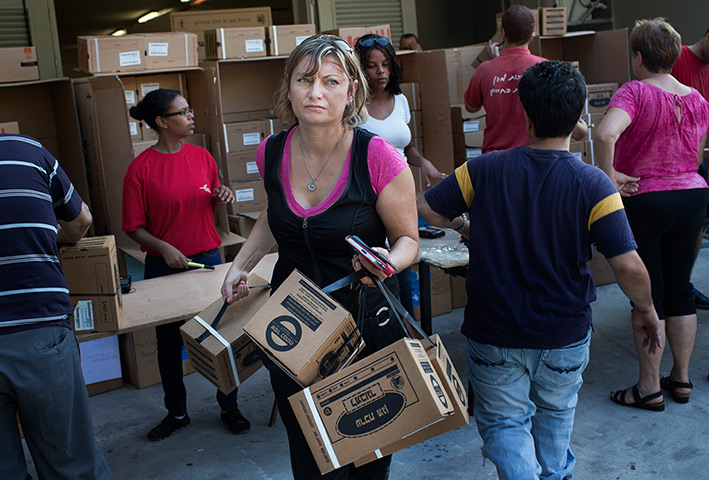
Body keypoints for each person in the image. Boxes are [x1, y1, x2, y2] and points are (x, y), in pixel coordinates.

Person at [417, 60, 663, 480]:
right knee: (556, 413)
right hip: (563, 335)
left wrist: (464, 224)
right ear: (579, 118)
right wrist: (645, 308)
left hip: (494, 331)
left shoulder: (482, 170)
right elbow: (628, 264)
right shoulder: (595, 184)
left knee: (503, 424)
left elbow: (424, 208)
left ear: (525, 115)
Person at [220, 34, 419, 479]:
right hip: (294, 325)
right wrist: (241, 265)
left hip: (364, 323)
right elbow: (275, 217)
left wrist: (388, 260)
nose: (315, 92)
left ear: (351, 91)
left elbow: (408, 239)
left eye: (330, 81)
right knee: (309, 446)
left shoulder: (378, 156)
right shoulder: (271, 151)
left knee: (366, 450)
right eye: (304, 79)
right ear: (288, 87)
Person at [595, 19, 709, 409]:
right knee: (679, 289)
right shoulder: (696, 98)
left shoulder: (635, 92)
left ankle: (648, 388)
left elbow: (605, 133)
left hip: (647, 198)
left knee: (648, 295)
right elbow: (695, 156)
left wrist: (609, 177)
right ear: (676, 56)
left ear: (638, 57)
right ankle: (680, 379)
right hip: (692, 197)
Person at [122, 89, 246, 441]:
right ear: (162, 122)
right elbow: (132, 227)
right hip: (165, 267)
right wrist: (164, 248)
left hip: (208, 260)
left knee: (221, 338)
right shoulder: (140, 169)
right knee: (168, 345)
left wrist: (224, 196)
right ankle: (176, 412)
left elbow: (209, 204)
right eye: (182, 112)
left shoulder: (203, 156)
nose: (191, 116)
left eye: (190, 109)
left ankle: (230, 406)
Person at [0, 133, 113, 479]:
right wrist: (49, 236)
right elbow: (80, 221)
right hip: (40, 331)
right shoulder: (27, 151)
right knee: (70, 464)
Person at [354, 33, 444, 319]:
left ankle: (409, 334)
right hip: (370, 200)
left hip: (403, 196)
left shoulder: (401, 100)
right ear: (360, 69)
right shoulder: (352, 106)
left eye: (385, 65)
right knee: (382, 270)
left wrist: (427, 165)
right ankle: (393, 332)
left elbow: (408, 148)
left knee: (404, 267)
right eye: (371, 65)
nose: (380, 72)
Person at [464, 5, 587, 154]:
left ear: (502, 33)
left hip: (494, 161)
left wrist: (495, 64)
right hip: (533, 158)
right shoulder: (545, 68)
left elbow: (471, 107)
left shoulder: (485, 70)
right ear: (533, 32)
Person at [671, 26, 709, 309]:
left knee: (697, 227)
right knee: (674, 228)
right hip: (674, 161)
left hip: (699, 161)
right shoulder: (678, 57)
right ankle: (669, 287)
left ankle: (682, 284)